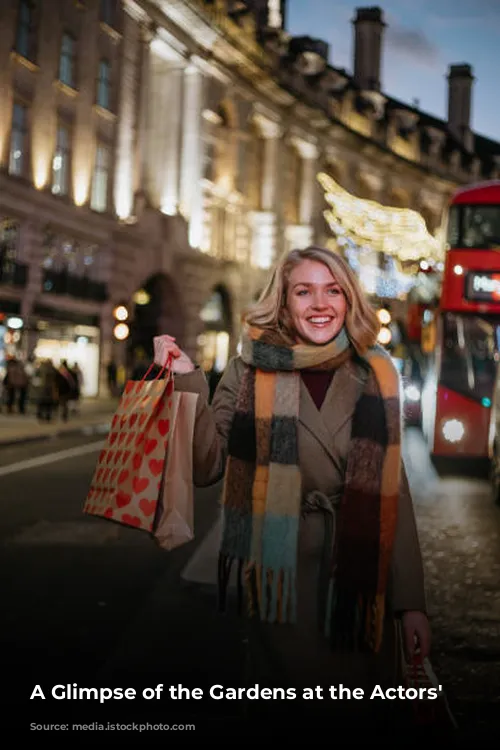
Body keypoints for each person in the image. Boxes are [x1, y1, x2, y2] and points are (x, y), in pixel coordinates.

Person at [154, 245, 431, 726]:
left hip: (362, 582)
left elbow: (394, 491)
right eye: (304, 291)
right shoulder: (249, 369)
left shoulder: (376, 371)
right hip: (279, 577)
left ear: (349, 301)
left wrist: (412, 605)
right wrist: (186, 382)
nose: (320, 304)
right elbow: (207, 465)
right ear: (283, 302)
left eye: (333, 291)